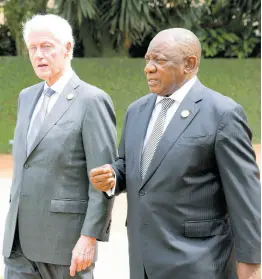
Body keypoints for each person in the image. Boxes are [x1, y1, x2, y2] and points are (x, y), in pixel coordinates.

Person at [90, 28, 261, 279]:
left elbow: (245, 196)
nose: (148, 68)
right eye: (147, 59)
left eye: (159, 61)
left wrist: (251, 262)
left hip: (199, 262)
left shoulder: (222, 114)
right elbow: (129, 166)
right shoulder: (136, 111)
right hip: (143, 261)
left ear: (189, 64)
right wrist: (114, 176)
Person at [3, 14, 117, 279]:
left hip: (66, 247)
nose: (38, 55)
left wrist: (89, 237)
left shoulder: (92, 101)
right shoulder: (26, 96)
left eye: (46, 46)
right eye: (33, 48)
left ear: (67, 48)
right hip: (19, 245)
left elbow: (102, 179)